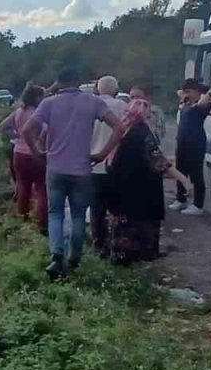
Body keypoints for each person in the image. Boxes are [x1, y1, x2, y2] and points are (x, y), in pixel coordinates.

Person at [23, 66, 124, 280]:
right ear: (78, 80)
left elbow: (26, 130)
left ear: (58, 82)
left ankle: (56, 255)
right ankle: (75, 258)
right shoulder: (93, 102)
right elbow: (119, 127)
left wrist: (37, 153)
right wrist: (102, 153)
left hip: (56, 168)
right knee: (78, 214)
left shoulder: (49, 103)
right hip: (82, 170)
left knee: (55, 214)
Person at [106, 99, 194, 265]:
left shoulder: (125, 131)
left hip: (122, 188)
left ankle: (121, 262)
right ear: (143, 114)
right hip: (140, 191)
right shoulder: (143, 133)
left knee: (123, 230)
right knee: (138, 230)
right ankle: (137, 263)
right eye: (149, 112)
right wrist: (184, 180)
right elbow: (159, 161)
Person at [0, 84, 48, 233]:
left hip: (19, 154)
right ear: (37, 97)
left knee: (22, 186)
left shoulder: (19, 112)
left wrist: (16, 135)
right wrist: (40, 142)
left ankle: (23, 218)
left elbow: (2, 127)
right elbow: (45, 130)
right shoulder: (39, 113)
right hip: (36, 154)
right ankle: (42, 224)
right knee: (41, 188)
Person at [88, 75, 127, 259]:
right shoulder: (122, 107)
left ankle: (98, 246)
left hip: (93, 164)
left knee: (97, 209)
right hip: (116, 165)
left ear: (97, 89)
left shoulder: (88, 106)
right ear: (116, 90)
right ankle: (118, 244)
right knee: (118, 207)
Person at [170, 79, 211, 216]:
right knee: (180, 170)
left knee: (196, 174)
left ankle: (198, 205)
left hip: (195, 143)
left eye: (189, 91)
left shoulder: (202, 104)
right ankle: (180, 198)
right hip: (182, 141)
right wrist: (184, 95)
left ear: (197, 91)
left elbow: (205, 99)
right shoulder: (185, 103)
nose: (186, 94)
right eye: (185, 91)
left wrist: (204, 94)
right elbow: (179, 94)